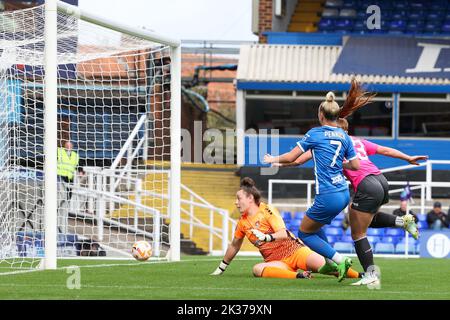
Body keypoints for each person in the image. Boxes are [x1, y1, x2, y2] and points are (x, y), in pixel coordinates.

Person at [268, 79, 427, 287]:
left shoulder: (325, 140)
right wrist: (408, 158)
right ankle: (401, 221)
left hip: (364, 185)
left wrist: (277, 162)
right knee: (361, 216)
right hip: (381, 180)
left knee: (357, 232)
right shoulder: (356, 141)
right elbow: (386, 151)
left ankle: (370, 275)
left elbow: (297, 159)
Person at [264, 91, 360, 282]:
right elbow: (355, 165)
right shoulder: (343, 135)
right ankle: (329, 261)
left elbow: (292, 156)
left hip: (327, 194)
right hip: (343, 193)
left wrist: (273, 158)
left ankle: (339, 259)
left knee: (304, 233)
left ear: (321, 115)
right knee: (315, 226)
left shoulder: (315, 134)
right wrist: (337, 163)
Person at [210, 178, 363, 280]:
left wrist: (265, 237)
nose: (236, 202)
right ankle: (299, 276)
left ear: (250, 198)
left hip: (295, 252)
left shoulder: (267, 210)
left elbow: (282, 234)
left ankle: (360, 276)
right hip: (276, 261)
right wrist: (221, 268)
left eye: (239, 198)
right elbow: (234, 245)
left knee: (329, 268)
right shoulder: (242, 223)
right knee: (257, 269)